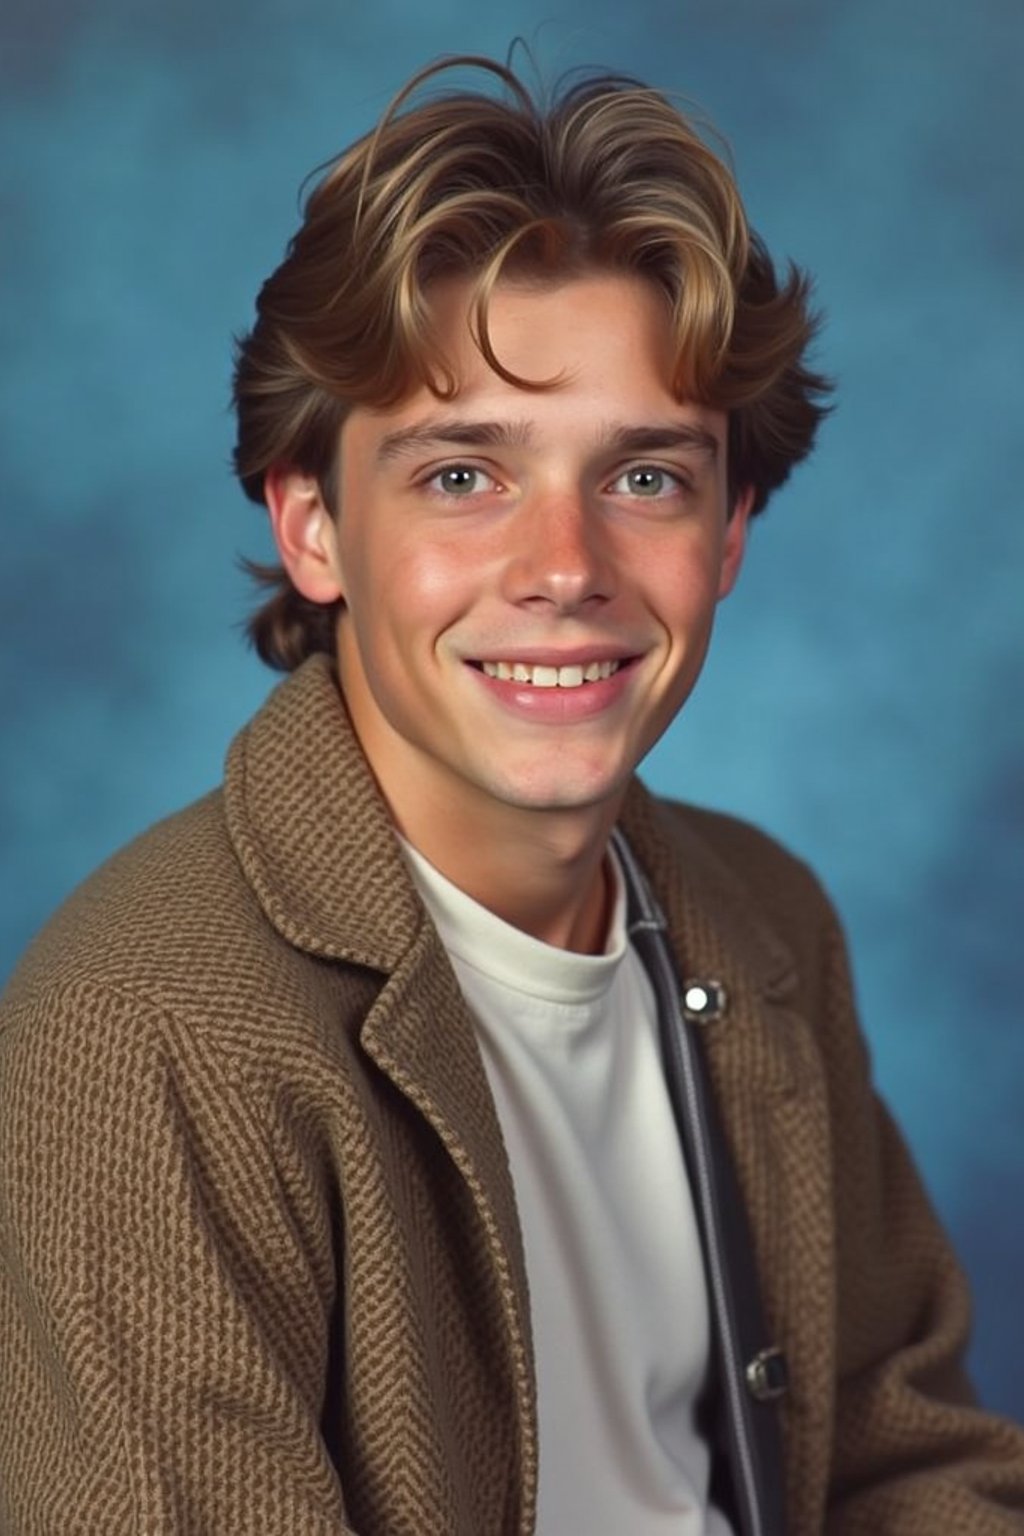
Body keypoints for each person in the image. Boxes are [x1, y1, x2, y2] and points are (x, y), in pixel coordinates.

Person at [1, 54, 1022, 1536]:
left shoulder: (763, 920)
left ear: (731, 531)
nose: (566, 566)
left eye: (649, 478)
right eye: (464, 475)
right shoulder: (144, 1038)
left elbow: (905, 1461)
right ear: (313, 528)